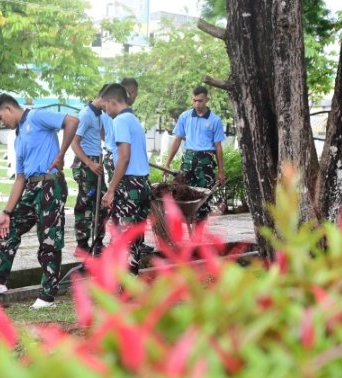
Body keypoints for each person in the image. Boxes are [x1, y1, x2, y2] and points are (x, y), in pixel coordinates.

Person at [0, 94, 79, 309]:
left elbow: (72, 120)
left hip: (50, 185)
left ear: (9, 109)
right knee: (9, 230)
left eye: (1, 117)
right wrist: (6, 213)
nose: (2, 123)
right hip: (30, 188)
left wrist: (61, 154)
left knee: (48, 241)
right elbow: (19, 178)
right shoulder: (18, 138)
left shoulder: (37, 117)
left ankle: (47, 296)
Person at [100, 83, 151, 274]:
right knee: (135, 238)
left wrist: (111, 189)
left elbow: (124, 156)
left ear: (112, 102)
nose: (105, 111)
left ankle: (123, 288)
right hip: (142, 183)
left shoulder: (120, 121)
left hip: (128, 185)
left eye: (105, 107)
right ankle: (131, 285)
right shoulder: (133, 119)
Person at [163, 85, 226, 220]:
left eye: (200, 101)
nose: (197, 104)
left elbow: (218, 147)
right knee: (181, 191)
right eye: (195, 100)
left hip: (205, 161)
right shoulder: (185, 117)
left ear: (207, 100)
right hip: (188, 159)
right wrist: (167, 163)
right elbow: (177, 140)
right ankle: (181, 227)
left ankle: (199, 231)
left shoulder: (215, 120)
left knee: (204, 197)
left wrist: (221, 171)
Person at [71, 85, 109, 256]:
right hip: (86, 163)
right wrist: (90, 163)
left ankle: (98, 241)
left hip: (96, 161)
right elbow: (74, 142)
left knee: (101, 203)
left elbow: (102, 136)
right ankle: (81, 244)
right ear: (104, 98)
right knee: (85, 204)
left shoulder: (99, 114)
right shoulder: (86, 114)